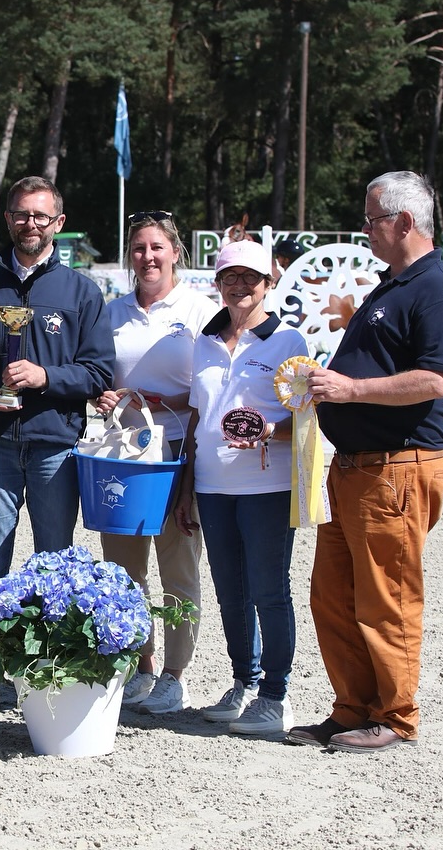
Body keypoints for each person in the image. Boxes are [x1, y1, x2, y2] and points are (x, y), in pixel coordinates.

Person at [290, 171, 443, 753]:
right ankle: (352, 708)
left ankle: (395, 715)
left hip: (396, 468)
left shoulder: (436, 289)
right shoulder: (391, 286)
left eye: (372, 219)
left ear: (405, 222)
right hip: (356, 467)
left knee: (385, 596)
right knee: (334, 596)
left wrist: (349, 390)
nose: (364, 228)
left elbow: (436, 380)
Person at [0, 176, 114, 722]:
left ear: (58, 224)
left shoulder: (83, 292)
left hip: (55, 445)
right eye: (20, 214)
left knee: (54, 564)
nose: (29, 224)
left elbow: (98, 372)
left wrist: (44, 377)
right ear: (8, 219)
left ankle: (46, 673)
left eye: (40, 216)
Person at [175, 239, 308, 734]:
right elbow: (197, 417)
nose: (239, 285)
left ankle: (276, 694)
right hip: (212, 484)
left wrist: (271, 431)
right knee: (230, 591)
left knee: (269, 591)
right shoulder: (204, 339)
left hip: (266, 485)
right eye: (230, 276)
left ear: (268, 283)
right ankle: (243, 682)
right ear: (218, 283)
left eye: (250, 277)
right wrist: (187, 484)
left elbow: (308, 420)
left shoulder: (288, 343)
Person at [95, 210, 216, 716]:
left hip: (180, 454)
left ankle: (175, 674)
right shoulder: (111, 312)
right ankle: (140, 665)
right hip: (123, 453)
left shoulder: (201, 311)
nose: (148, 257)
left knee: (178, 569)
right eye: (139, 248)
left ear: (175, 252)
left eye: (157, 247)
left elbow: (215, 391)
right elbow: (98, 371)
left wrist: (163, 400)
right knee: (124, 569)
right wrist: (102, 396)